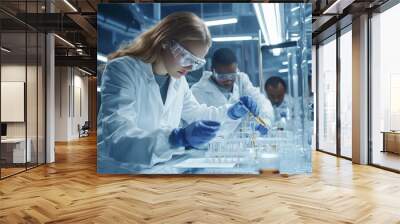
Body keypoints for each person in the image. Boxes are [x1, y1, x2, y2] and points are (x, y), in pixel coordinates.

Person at [97, 12, 261, 172]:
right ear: (165, 42)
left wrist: (230, 112)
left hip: (160, 171)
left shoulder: (178, 80)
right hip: (120, 173)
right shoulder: (122, 70)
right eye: (186, 57)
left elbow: (196, 114)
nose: (190, 68)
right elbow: (118, 138)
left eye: (196, 62)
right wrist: (175, 138)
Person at [191, 48, 274, 136]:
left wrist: (265, 120)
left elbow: (261, 101)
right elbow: (196, 125)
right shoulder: (198, 91)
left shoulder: (241, 80)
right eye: (222, 76)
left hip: (242, 143)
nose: (228, 80)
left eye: (232, 75)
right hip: (213, 145)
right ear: (213, 70)